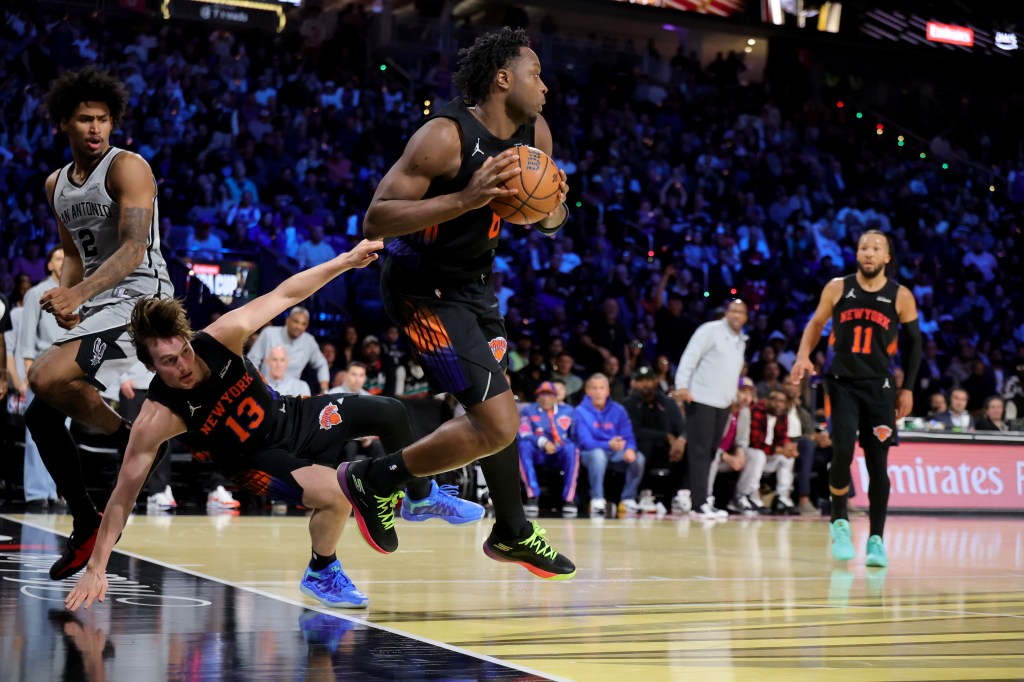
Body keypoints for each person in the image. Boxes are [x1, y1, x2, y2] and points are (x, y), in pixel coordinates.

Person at [65, 240, 483, 612]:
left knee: (391, 411)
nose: (183, 366)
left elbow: (287, 292)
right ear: (150, 365)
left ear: (189, 339)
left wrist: (344, 260)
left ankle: (420, 496)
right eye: (168, 363)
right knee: (338, 496)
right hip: (254, 459)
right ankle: (322, 570)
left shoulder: (222, 337)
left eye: (184, 353)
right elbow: (121, 496)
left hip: (290, 415)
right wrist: (98, 566)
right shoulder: (157, 415)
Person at [349, 27, 574, 580]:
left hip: (475, 287)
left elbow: (552, 219)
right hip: (420, 290)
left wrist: (548, 210)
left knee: (495, 410)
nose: (545, 86)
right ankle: (375, 480)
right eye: (535, 73)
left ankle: (512, 530)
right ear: (502, 79)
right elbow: (376, 220)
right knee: (498, 421)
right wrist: (464, 199)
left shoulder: (535, 133)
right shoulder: (444, 137)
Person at [27, 67, 174, 580]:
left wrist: (79, 292)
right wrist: (72, 297)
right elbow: (72, 254)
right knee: (39, 414)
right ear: (63, 123)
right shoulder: (55, 185)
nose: (95, 128)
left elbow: (134, 248)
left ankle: (131, 438)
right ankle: (86, 522)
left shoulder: (128, 167)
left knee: (44, 378)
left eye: (104, 119)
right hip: (99, 303)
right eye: (85, 119)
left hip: (143, 301)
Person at [791, 230, 922, 568]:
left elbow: (915, 346)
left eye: (876, 248)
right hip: (841, 384)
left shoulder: (901, 296)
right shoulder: (837, 287)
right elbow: (815, 323)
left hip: (880, 388)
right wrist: (803, 355)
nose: (868, 253)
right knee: (843, 450)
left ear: (887, 257)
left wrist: (907, 389)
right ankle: (839, 522)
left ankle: (876, 539)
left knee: (878, 464)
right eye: (864, 247)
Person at [673, 300, 749, 519]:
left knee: (712, 452)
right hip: (701, 397)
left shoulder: (740, 340)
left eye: (741, 312)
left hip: (723, 402)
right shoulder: (710, 330)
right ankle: (699, 503)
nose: (737, 315)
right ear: (726, 312)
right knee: (699, 451)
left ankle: (700, 498)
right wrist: (682, 387)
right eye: (733, 310)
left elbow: (730, 372)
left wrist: (734, 395)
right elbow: (690, 357)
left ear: (745, 317)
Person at [17, 247, 64, 509]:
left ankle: (52, 491)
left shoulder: (73, 294)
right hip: (41, 371)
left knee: (61, 437)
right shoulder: (36, 293)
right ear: (48, 265)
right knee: (36, 437)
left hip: (65, 375)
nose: (63, 262)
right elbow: (26, 344)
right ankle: (36, 492)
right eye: (57, 258)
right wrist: (27, 376)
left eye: (65, 257)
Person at [575, 373, 645, 516]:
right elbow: (585, 442)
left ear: (608, 391)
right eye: (594, 388)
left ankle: (628, 499)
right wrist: (608, 444)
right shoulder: (580, 411)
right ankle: (597, 498)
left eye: (602, 388)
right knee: (598, 455)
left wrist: (630, 449)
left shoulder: (619, 410)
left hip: (615, 452)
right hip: (590, 453)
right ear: (588, 391)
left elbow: (628, 436)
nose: (598, 392)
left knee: (638, 458)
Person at [623, 366, 685, 512]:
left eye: (649, 380)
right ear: (635, 383)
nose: (645, 385)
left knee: (688, 448)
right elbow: (635, 431)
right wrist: (666, 436)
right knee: (645, 444)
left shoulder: (668, 403)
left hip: (667, 451)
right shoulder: (628, 404)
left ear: (656, 381)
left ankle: (682, 494)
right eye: (641, 381)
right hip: (643, 450)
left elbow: (680, 428)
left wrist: (679, 442)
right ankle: (645, 492)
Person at [517, 381, 580, 518]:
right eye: (542, 395)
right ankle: (532, 495)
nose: (546, 398)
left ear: (555, 397)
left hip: (560, 452)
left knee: (572, 449)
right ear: (537, 397)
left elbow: (576, 435)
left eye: (550, 395)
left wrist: (560, 443)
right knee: (523, 446)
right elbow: (523, 433)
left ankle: (569, 498)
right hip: (538, 452)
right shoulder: (528, 410)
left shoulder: (568, 411)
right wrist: (543, 442)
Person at [246, 306, 330, 394]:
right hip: (265, 389)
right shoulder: (269, 334)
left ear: (307, 326)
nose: (299, 327)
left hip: (292, 393)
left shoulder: (309, 341)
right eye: (296, 322)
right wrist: (257, 383)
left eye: (303, 324)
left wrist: (324, 390)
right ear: (287, 320)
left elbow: (322, 364)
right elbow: (252, 360)